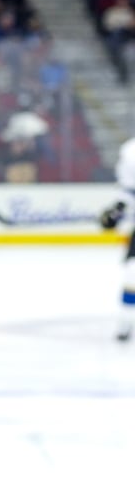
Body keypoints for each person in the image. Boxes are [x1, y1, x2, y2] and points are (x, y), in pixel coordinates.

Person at [99, 136, 135, 341]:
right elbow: (128, 192)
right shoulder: (131, 151)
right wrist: (117, 210)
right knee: (132, 273)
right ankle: (125, 321)